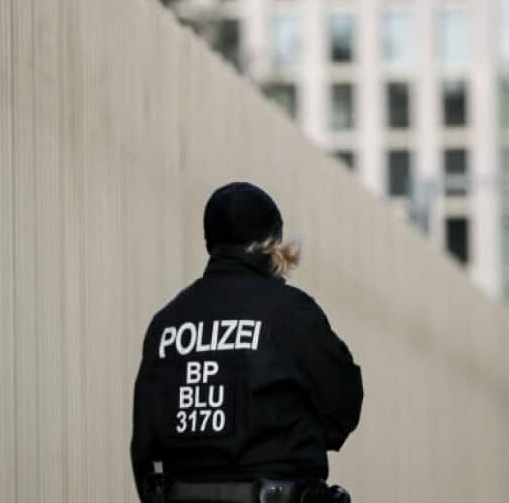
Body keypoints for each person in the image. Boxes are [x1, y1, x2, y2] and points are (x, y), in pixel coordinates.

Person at [130, 182, 363, 503]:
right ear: (270, 243)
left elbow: (144, 442)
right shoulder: (291, 312)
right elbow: (343, 406)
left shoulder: (166, 323)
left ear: (211, 242)